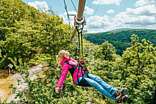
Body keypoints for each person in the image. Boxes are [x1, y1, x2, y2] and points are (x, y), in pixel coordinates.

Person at [55, 50, 128, 103]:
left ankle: (115, 92)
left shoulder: (71, 60)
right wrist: (58, 86)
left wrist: (81, 63)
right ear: (63, 56)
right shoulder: (65, 64)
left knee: (98, 79)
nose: (67, 54)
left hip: (84, 74)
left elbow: (79, 66)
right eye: (66, 54)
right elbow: (63, 76)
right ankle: (116, 98)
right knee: (95, 84)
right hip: (79, 79)